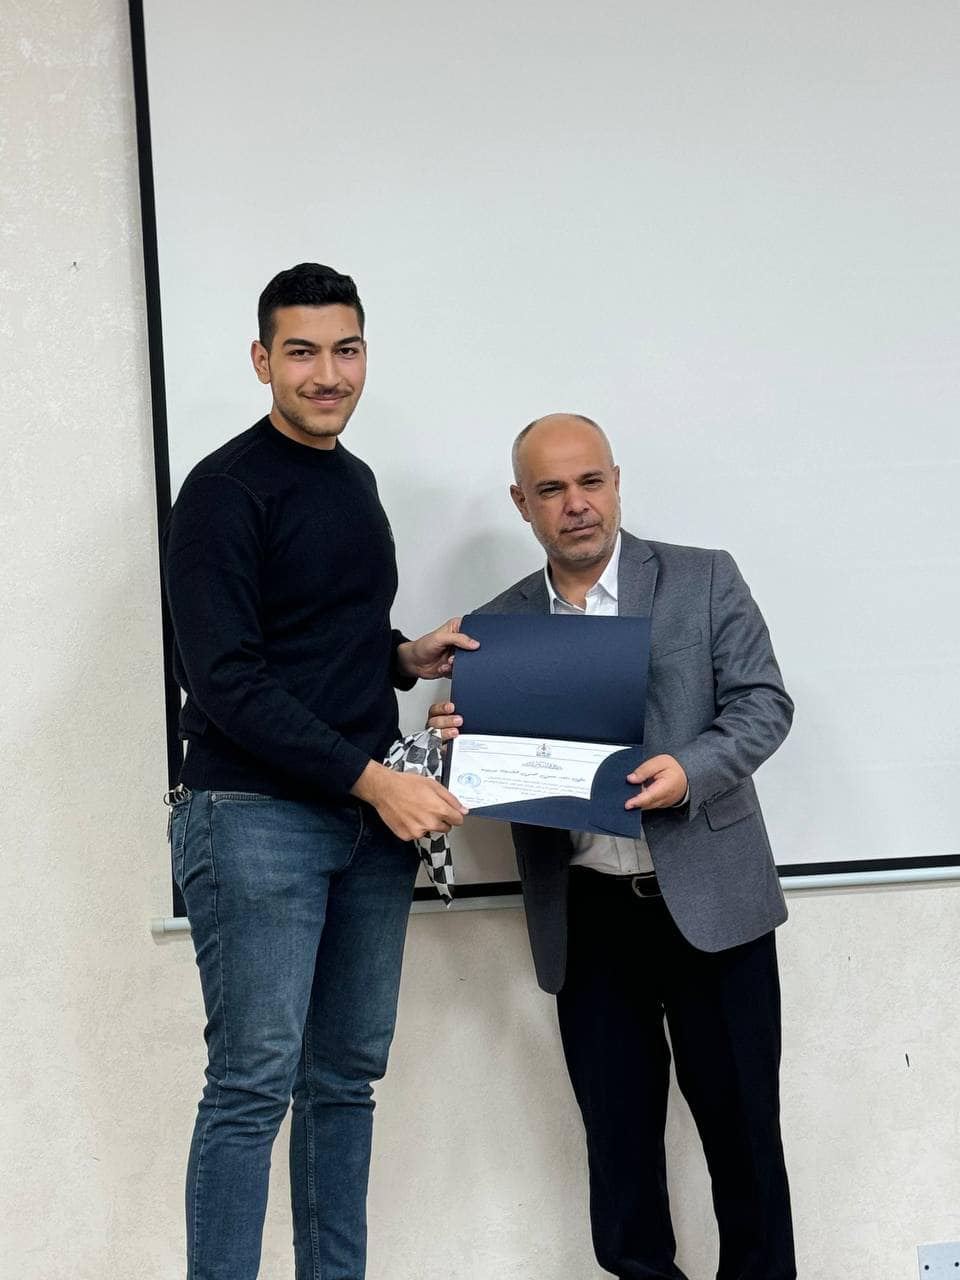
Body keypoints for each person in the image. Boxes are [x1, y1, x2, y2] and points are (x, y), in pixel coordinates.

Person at [163, 262, 476, 1280]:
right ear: (262, 361)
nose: (327, 373)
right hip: (255, 817)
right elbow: (226, 680)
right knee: (252, 1086)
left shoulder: (354, 480)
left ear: (365, 355)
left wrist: (402, 657)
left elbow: (320, 638)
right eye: (301, 352)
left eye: (346, 350)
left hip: (362, 820)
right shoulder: (222, 491)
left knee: (344, 1080)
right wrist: (375, 779)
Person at [429, 413, 796, 1280]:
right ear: (522, 503)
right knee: (620, 1161)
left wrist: (690, 770)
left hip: (713, 906)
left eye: (590, 482)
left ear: (617, 482)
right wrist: (457, 746)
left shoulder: (704, 578)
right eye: (551, 489)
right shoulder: (496, 627)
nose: (576, 504)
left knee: (745, 1143)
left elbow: (763, 704)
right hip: (588, 922)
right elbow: (488, 774)